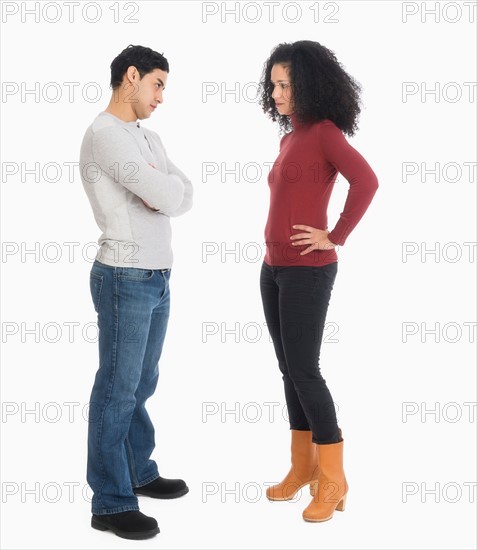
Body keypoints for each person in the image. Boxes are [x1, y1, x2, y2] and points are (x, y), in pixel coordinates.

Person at [258, 40, 378, 522]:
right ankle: (302, 468)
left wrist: (336, 235)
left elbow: (366, 181)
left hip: (309, 270)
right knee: (289, 371)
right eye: (274, 85)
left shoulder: (325, 133)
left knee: (306, 371)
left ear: (308, 85)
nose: (278, 93)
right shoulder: (290, 137)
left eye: (286, 84)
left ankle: (334, 480)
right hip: (273, 268)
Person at [79, 44, 193, 540]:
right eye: (158, 84)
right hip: (125, 276)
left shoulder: (147, 136)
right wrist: (160, 189)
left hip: (157, 276)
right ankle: (109, 500)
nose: (162, 96)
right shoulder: (105, 136)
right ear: (131, 76)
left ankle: (138, 472)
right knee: (117, 390)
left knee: (141, 384)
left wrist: (161, 189)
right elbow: (168, 193)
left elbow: (183, 192)